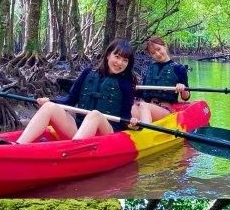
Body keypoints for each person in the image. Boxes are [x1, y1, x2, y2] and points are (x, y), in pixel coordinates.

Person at [11, 38, 139, 144]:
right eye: (117, 57)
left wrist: (133, 124)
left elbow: (125, 118)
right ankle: (18, 145)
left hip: (108, 135)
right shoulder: (88, 73)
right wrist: (50, 100)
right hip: (79, 130)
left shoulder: (126, 84)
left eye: (125, 60)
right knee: (49, 106)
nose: (120, 63)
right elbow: (70, 100)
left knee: (95, 114)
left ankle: (71, 152)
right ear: (107, 55)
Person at [131, 36, 191, 124]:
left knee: (144, 106)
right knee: (130, 105)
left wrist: (182, 88)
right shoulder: (149, 68)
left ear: (165, 46)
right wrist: (132, 88)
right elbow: (141, 92)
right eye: (153, 53)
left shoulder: (179, 68)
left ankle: (146, 132)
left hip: (165, 110)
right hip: (146, 106)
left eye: (158, 49)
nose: (158, 54)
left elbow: (186, 97)